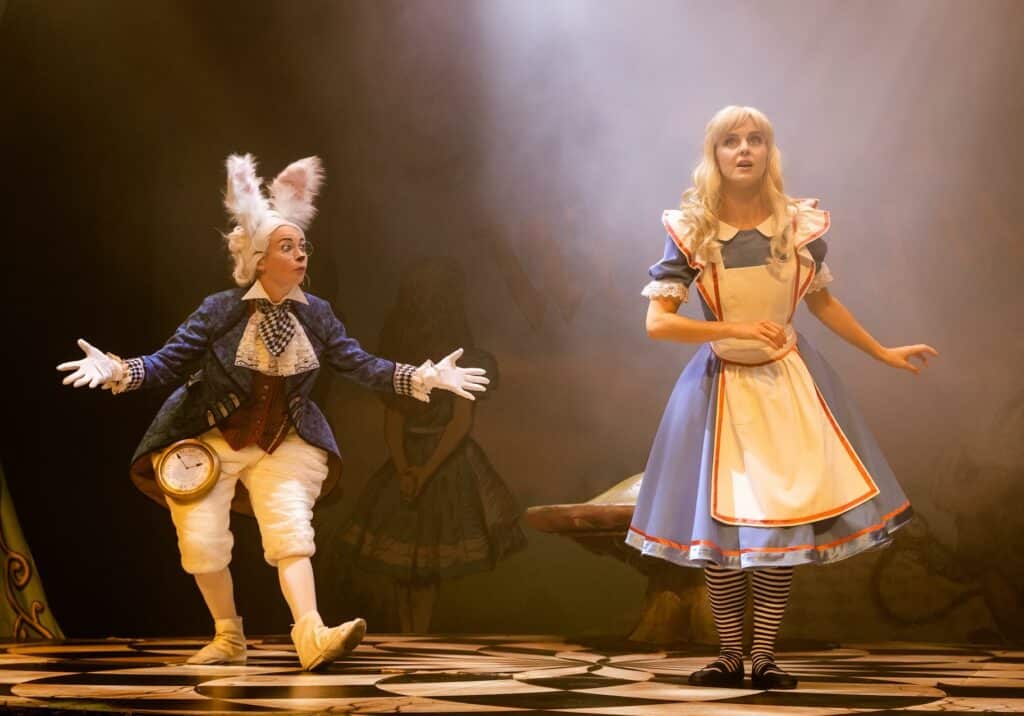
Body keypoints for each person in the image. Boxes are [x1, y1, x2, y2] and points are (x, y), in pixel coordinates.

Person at [56, 154, 488, 670]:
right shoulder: (221, 309)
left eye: (303, 246)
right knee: (201, 539)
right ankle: (228, 636)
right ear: (260, 260)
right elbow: (168, 361)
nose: (300, 253)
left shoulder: (317, 314)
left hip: (285, 437)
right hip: (211, 435)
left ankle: (310, 633)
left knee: (290, 532)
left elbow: (359, 363)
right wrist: (117, 370)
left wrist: (421, 377)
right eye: (288, 246)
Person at [626, 106, 937, 690]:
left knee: (780, 521)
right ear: (714, 154)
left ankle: (764, 655)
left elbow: (822, 303)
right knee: (719, 529)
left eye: (756, 139)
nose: (744, 149)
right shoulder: (693, 230)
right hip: (718, 387)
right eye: (731, 140)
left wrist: (882, 351)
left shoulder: (797, 226)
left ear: (769, 152)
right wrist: (733, 329)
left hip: (785, 385)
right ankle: (729, 655)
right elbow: (657, 323)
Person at [330, 257, 526, 633]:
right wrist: (406, 469)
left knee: (423, 563)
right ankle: (411, 634)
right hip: (418, 461)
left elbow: (457, 424)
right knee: (409, 562)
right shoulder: (402, 361)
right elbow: (397, 420)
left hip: (443, 463)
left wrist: (418, 471)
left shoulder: (462, 359)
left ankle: (415, 633)